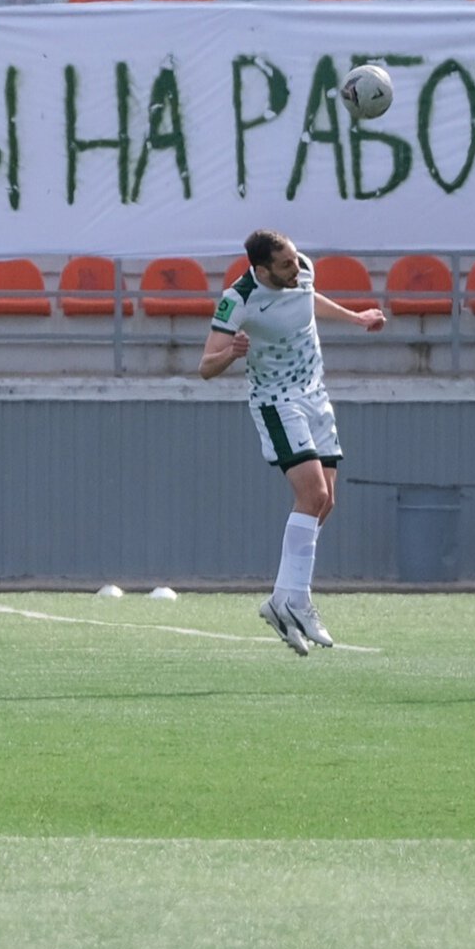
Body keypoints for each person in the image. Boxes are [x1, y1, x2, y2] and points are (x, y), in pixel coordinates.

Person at [199, 231, 387, 655]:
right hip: (276, 400)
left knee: (327, 501)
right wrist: (232, 353)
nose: (297, 269)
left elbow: (308, 299)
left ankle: (281, 598)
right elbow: (204, 366)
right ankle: (295, 598)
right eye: (285, 266)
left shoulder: (300, 269)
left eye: (296, 261)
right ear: (261, 270)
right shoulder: (238, 298)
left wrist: (356, 318)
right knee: (313, 493)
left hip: (314, 393)